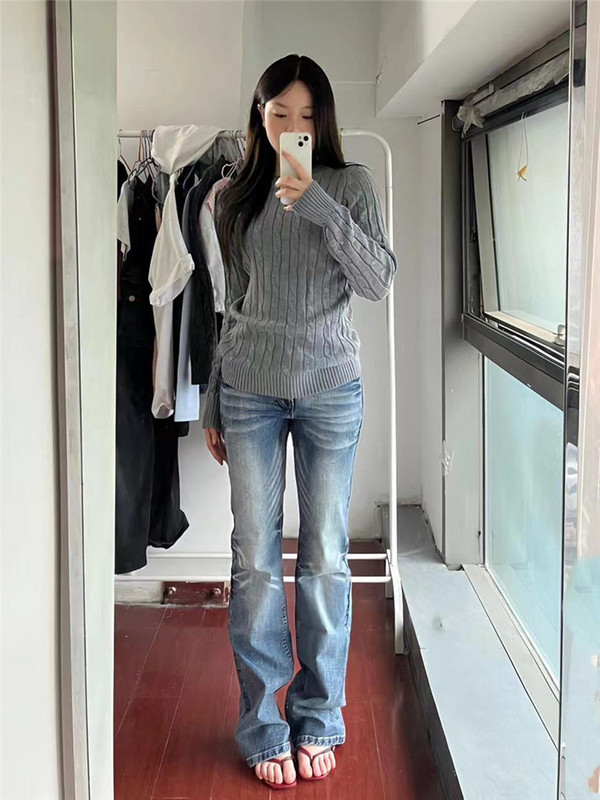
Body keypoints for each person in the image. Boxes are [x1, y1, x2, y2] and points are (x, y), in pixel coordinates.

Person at [202, 53, 397, 790]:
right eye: (278, 113)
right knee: (255, 561)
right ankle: (262, 724)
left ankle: (318, 717)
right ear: (259, 117)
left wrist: (316, 202)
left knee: (324, 557)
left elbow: (378, 280)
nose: (291, 128)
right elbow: (232, 304)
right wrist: (215, 394)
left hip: (330, 391)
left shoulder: (352, 185)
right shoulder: (230, 197)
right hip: (250, 390)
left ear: (324, 121)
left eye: (305, 116)